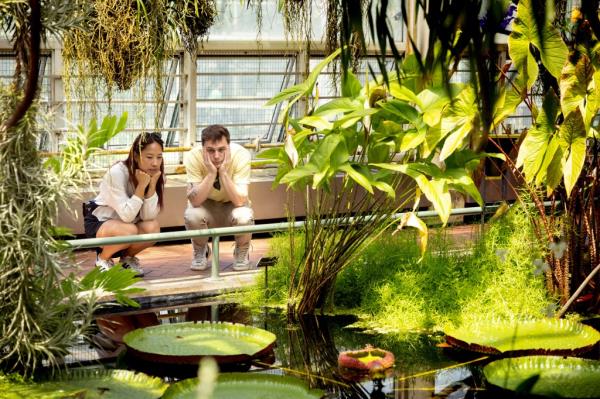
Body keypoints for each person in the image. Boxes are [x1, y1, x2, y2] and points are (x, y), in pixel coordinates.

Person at [84, 132, 164, 276]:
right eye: (149, 157)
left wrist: (151, 186)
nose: (155, 163)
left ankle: (127, 259)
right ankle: (103, 258)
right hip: (101, 222)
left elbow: (148, 216)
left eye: (159, 157)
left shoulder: (156, 175)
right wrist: (141, 187)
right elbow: (127, 216)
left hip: (129, 224)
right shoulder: (117, 173)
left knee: (153, 227)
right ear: (135, 155)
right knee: (129, 230)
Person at [184, 124, 254, 271]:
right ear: (203, 149)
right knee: (192, 214)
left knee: (244, 215)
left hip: (233, 205)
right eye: (210, 150)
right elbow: (195, 201)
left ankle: (242, 252)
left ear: (228, 147)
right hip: (205, 205)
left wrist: (223, 172)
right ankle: (200, 251)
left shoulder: (241, 155)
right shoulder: (193, 156)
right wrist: (211, 174)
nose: (216, 156)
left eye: (221, 150)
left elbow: (240, 201)